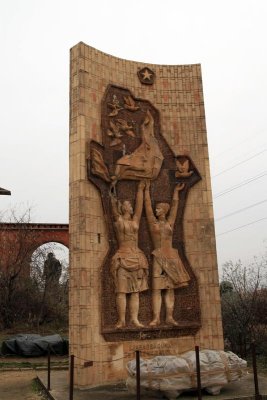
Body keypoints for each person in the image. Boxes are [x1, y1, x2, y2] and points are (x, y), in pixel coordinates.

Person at [144, 181, 190, 326]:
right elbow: (147, 207)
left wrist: (176, 192)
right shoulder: (153, 223)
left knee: (170, 289)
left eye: (158, 209)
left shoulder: (169, 222)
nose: (156, 210)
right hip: (158, 256)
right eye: (156, 209)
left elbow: (175, 208)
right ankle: (156, 318)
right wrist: (145, 191)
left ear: (164, 211)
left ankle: (169, 317)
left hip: (171, 256)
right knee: (157, 288)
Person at [110, 181, 149, 328]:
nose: (131, 207)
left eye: (131, 205)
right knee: (121, 291)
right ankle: (121, 320)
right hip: (122, 257)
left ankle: (134, 319)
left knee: (135, 291)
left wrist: (140, 188)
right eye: (128, 205)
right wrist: (112, 191)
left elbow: (139, 206)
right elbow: (113, 207)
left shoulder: (135, 221)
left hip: (136, 258)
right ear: (123, 208)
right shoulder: (119, 220)